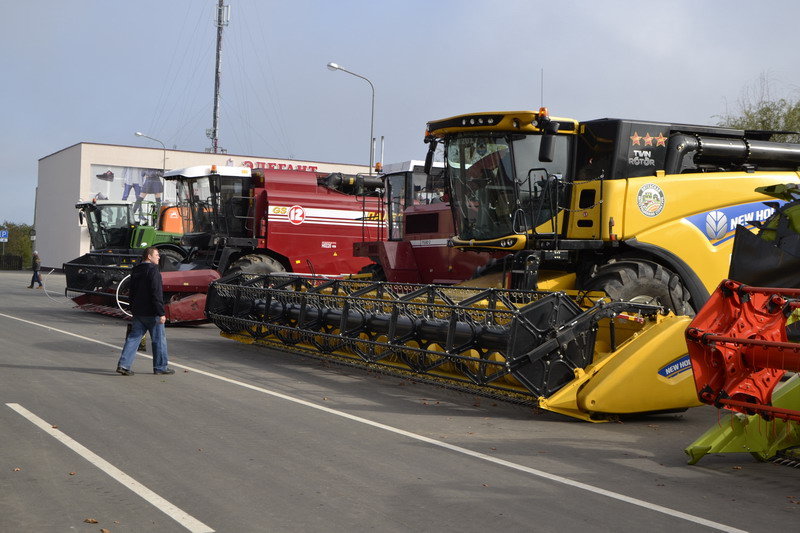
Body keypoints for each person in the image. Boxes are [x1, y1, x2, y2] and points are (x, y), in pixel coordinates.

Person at [116, 247, 174, 376]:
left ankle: (124, 365)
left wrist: (132, 308)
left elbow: (132, 292)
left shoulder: (136, 270)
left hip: (138, 312)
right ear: (149, 256)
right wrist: (161, 312)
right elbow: (156, 293)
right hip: (152, 313)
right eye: (157, 255)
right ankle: (160, 367)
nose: (159, 257)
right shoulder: (153, 271)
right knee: (159, 340)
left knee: (133, 338)